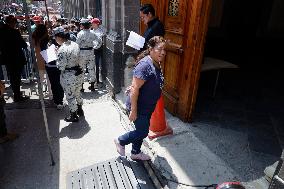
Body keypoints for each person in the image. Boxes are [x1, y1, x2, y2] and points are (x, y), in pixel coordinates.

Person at [114, 36, 166, 161]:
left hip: (148, 106)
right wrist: (133, 111)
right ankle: (120, 140)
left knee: (141, 129)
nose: (163, 52)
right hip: (139, 107)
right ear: (151, 49)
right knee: (142, 132)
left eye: (164, 50)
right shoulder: (145, 65)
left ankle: (135, 152)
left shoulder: (156, 62)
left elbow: (139, 85)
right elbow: (135, 88)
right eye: (160, 49)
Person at [54, 26, 84, 122]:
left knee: (70, 96)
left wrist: (56, 57)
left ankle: (73, 115)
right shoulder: (75, 44)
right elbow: (81, 58)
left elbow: (60, 67)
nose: (55, 40)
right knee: (78, 92)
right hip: (79, 72)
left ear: (59, 38)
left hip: (68, 75)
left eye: (55, 38)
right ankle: (80, 109)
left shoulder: (62, 49)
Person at [32, 24, 64, 109]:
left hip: (42, 62)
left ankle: (46, 98)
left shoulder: (35, 38)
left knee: (47, 82)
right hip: (54, 64)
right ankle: (57, 100)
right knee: (57, 83)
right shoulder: (49, 39)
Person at [0, 15, 29, 102]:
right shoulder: (14, 32)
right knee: (16, 78)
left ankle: (16, 93)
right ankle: (17, 96)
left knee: (13, 78)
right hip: (16, 58)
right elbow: (23, 45)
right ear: (12, 23)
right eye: (15, 23)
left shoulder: (1, 32)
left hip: (7, 58)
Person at [76, 18, 102, 91]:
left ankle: (81, 87)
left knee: (82, 69)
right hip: (90, 52)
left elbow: (77, 44)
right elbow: (99, 41)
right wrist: (95, 47)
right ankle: (92, 86)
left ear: (82, 26)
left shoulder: (80, 34)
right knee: (91, 68)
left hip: (82, 53)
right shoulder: (92, 33)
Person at [91, 18, 105, 87]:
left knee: (97, 66)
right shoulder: (92, 31)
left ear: (97, 24)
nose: (92, 24)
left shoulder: (99, 32)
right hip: (93, 51)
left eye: (93, 23)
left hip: (97, 51)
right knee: (93, 66)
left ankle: (97, 81)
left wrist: (94, 47)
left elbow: (99, 43)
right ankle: (94, 81)